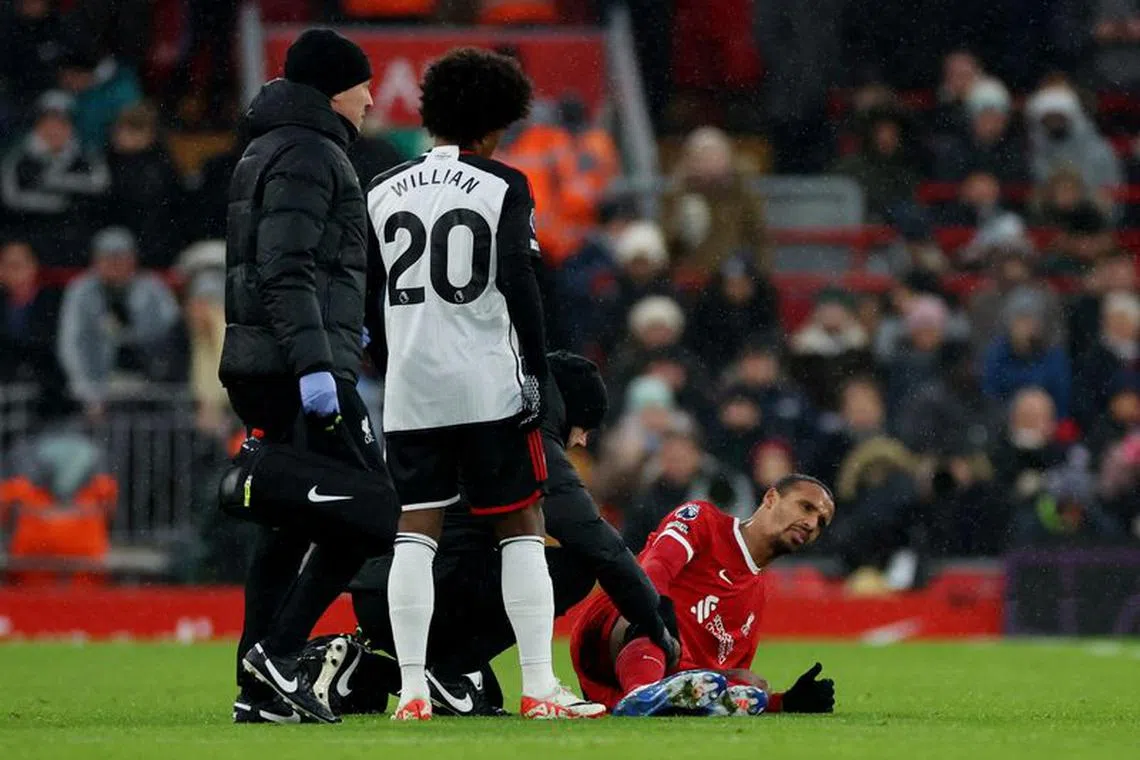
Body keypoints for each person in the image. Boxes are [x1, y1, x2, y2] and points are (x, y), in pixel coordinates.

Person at [365, 47, 604, 721]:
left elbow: (372, 295)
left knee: (416, 529)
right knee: (521, 524)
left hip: (412, 385)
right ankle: (538, 687)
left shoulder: (381, 190)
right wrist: (535, 371)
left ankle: (413, 691)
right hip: (485, 380)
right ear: (497, 122)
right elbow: (519, 285)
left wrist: (391, 364)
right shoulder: (504, 184)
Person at [302, 351, 679, 718]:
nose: (581, 441)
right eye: (586, 428)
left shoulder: (470, 412)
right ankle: (455, 672)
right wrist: (658, 627)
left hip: (387, 589)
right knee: (575, 566)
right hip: (438, 589)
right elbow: (600, 545)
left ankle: (369, 669)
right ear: (569, 411)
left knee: (485, 693)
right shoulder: (526, 440)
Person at [218, 28, 396, 725]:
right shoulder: (312, 153)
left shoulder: (267, 146)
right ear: (333, 89)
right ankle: (279, 654)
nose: (372, 98)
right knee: (371, 511)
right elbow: (286, 269)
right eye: (363, 85)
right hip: (298, 368)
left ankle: (254, 682)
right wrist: (321, 367)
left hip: (266, 361)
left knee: (289, 526)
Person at [570, 475, 837, 716]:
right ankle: (642, 693)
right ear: (770, 498)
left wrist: (784, 702)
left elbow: (717, 672)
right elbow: (657, 566)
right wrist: (661, 612)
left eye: (821, 522)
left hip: (671, 670)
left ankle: (665, 700)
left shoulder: (755, 596)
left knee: (752, 684)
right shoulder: (702, 519)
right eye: (806, 507)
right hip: (605, 640)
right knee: (648, 609)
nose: (812, 523)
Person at [56, 227, 179, 420]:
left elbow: (174, 335)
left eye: (120, 257)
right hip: (100, 388)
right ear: (96, 261)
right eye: (107, 258)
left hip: (151, 389)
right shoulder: (81, 291)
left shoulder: (153, 289)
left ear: (133, 259)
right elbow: (71, 342)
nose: (114, 264)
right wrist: (87, 394)